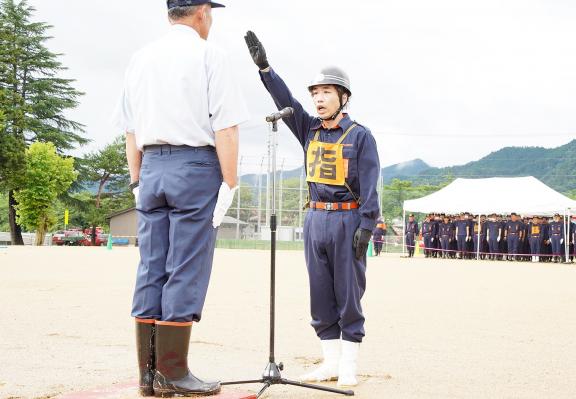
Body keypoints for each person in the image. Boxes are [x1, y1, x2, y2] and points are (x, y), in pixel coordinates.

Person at [112, 1, 248, 396]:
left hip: (151, 166)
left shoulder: (140, 58)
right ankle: (172, 371)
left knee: (151, 264)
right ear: (202, 12)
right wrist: (230, 184)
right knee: (187, 265)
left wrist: (138, 179)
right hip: (194, 168)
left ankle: (147, 374)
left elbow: (130, 130)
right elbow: (226, 127)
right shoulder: (210, 55)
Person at [245, 31, 380, 387]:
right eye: (315, 94)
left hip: (348, 218)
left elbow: (370, 182)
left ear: (343, 97)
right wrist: (265, 69)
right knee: (319, 292)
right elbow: (285, 99)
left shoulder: (361, 136)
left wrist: (367, 225)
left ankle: (349, 363)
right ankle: (329, 362)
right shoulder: (309, 129)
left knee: (348, 292)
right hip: (315, 217)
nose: (319, 100)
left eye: (326, 93)